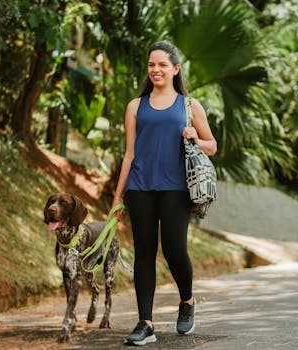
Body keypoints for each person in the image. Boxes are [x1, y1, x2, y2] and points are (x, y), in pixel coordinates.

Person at [111, 40, 217, 346]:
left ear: (175, 69)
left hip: (176, 188)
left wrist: (196, 137)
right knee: (144, 253)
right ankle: (145, 323)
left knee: (173, 249)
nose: (156, 70)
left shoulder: (189, 105)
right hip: (140, 187)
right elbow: (129, 155)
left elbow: (212, 146)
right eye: (151, 65)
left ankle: (187, 301)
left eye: (162, 65)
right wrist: (118, 197)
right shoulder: (135, 106)